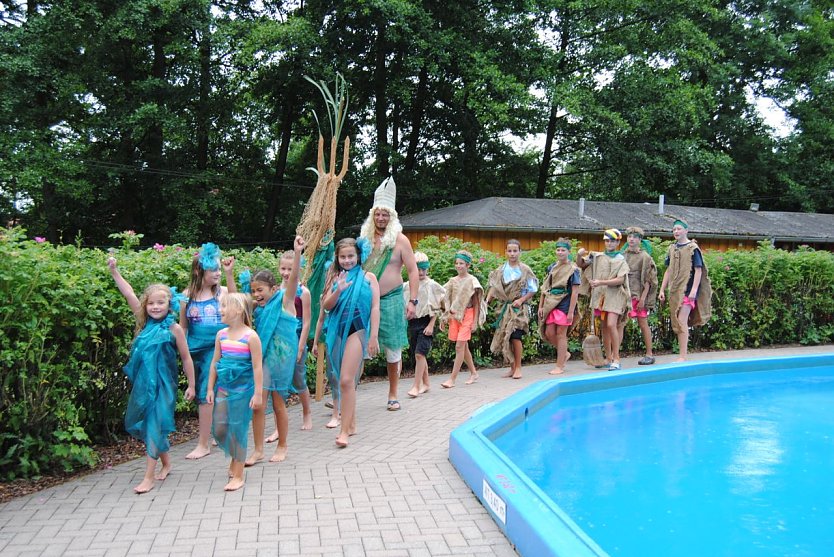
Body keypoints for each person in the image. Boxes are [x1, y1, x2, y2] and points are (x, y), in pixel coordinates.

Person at [108, 257, 196, 494]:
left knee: (154, 424)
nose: (156, 307)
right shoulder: (144, 323)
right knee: (149, 424)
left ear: (170, 305)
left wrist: (191, 385)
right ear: (146, 305)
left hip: (164, 385)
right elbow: (128, 294)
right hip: (144, 385)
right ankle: (166, 462)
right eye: (151, 303)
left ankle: (148, 477)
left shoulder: (174, 328)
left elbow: (186, 358)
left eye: (161, 303)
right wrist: (115, 272)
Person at [359, 177, 419, 411]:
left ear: (391, 217)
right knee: (359, 346)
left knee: (393, 348)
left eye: (385, 214)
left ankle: (393, 394)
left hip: (393, 299)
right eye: (377, 214)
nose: (381, 218)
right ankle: (347, 392)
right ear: (372, 216)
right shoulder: (363, 241)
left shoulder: (400, 240)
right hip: (366, 299)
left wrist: (413, 301)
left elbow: (413, 271)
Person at [244, 236, 304, 465]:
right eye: (254, 291)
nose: (257, 294)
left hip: (281, 360)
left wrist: (297, 253)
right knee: (258, 403)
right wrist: (229, 275)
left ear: (274, 288)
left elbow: (295, 278)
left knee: (279, 403)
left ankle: (282, 445)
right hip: (263, 359)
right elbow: (235, 301)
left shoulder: (285, 301)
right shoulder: (258, 309)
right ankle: (258, 450)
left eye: (260, 290)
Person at [322, 238, 380, 448]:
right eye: (343, 257)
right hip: (337, 331)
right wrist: (338, 289)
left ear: (358, 256)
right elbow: (327, 305)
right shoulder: (335, 277)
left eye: (350, 256)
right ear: (337, 258)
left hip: (357, 331)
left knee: (346, 380)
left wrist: (373, 336)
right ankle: (351, 423)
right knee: (339, 378)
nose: (347, 260)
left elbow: (374, 308)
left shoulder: (368, 278)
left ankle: (344, 430)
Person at [180, 243, 236, 460]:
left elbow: (234, 301)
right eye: (214, 269)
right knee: (207, 393)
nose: (218, 273)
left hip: (218, 350)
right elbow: (183, 325)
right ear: (198, 271)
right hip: (196, 351)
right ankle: (214, 432)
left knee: (207, 392)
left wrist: (230, 274)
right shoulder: (187, 296)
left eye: (218, 269)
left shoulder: (221, 293)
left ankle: (203, 443)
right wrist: (182, 347)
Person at [206, 293, 263, 491]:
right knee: (220, 429)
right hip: (223, 388)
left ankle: (238, 475)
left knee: (238, 429)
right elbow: (215, 362)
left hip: (243, 390)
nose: (219, 310)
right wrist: (209, 388)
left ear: (238, 310)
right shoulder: (221, 335)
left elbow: (257, 367)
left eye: (224, 306)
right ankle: (235, 457)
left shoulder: (251, 337)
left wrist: (257, 394)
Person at [270, 249, 313, 435]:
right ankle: (278, 426)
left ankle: (307, 412)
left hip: (296, 338)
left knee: (298, 378)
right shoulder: (275, 291)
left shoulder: (303, 292)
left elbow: (307, 322)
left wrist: (301, 346)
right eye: (283, 268)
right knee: (276, 382)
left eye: (290, 269)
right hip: (278, 340)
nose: (286, 273)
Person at [658, 219, 712, 361]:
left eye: (679, 229)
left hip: (688, 292)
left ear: (686, 231)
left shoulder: (693, 248)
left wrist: (694, 290)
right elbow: (668, 270)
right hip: (675, 291)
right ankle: (681, 354)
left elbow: (698, 270)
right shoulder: (672, 248)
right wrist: (662, 289)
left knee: (681, 320)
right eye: (674, 229)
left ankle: (683, 356)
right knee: (677, 320)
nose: (676, 231)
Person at [577, 229, 630, 371]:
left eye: (612, 240)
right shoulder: (597, 256)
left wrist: (600, 282)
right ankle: (608, 358)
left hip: (616, 296)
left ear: (618, 242)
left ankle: (617, 358)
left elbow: (620, 280)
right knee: (604, 327)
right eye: (607, 240)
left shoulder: (620, 259)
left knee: (612, 325)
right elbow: (581, 265)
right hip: (601, 297)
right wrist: (578, 255)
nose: (609, 243)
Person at [486, 239, 538, 379]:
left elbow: (533, 289)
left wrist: (521, 300)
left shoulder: (525, 270)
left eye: (515, 251)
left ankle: (519, 368)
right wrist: (487, 301)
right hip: (505, 308)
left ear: (520, 252)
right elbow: (493, 287)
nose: (512, 254)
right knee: (506, 337)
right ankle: (512, 367)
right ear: (506, 252)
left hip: (518, 309)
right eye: (510, 251)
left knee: (515, 336)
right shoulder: (501, 270)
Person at [440, 251, 487, 388]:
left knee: (459, 346)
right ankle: (473, 373)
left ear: (468, 265)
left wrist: (474, 322)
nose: (458, 266)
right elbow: (445, 299)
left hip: (468, 314)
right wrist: (444, 317)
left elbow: (477, 302)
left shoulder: (472, 281)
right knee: (463, 346)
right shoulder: (452, 281)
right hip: (455, 316)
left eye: (461, 263)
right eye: (457, 263)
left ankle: (452, 379)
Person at [405, 251, 446, 397]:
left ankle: (416, 386)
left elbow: (437, 306)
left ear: (428, 269)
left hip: (426, 323)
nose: (421, 272)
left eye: (423, 269)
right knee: (419, 355)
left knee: (419, 355)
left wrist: (431, 325)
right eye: (418, 269)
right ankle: (426, 383)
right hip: (413, 323)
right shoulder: (408, 285)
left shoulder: (432, 285)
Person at [538, 239, 581, 375]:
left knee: (561, 334)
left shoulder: (573, 270)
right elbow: (545, 288)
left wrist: (570, 312)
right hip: (552, 302)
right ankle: (565, 354)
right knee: (549, 333)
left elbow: (575, 292)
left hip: (565, 303)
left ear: (569, 252)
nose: (560, 252)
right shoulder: (552, 268)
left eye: (563, 250)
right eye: (558, 250)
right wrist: (541, 306)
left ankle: (559, 365)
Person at [619, 227, 658, 365]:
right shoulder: (623, 255)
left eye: (635, 237)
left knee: (643, 324)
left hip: (638, 297)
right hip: (624, 296)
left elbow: (649, 280)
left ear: (640, 240)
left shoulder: (645, 257)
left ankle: (649, 354)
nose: (631, 239)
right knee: (620, 324)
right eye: (629, 236)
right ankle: (614, 357)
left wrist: (643, 298)